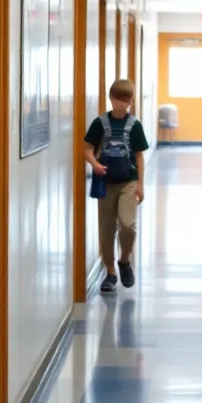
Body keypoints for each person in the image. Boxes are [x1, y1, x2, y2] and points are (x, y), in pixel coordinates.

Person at [83, 79, 148, 293]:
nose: (122, 104)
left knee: (127, 224)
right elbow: (86, 148)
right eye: (118, 99)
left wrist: (140, 184)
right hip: (105, 182)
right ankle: (110, 272)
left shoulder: (134, 125)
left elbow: (139, 156)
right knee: (106, 230)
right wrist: (95, 164)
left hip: (128, 181)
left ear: (131, 101)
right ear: (111, 98)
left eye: (126, 100)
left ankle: (124, 260)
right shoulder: (100, 123)